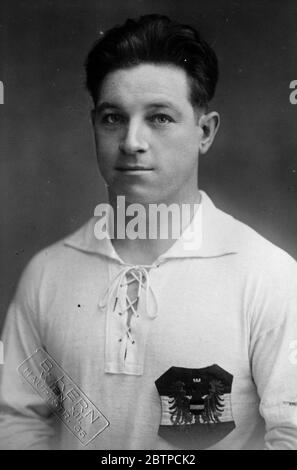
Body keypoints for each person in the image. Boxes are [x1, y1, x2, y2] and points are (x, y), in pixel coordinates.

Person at [1, 13, 297, 450]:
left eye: (159, 118)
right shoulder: (48, 273)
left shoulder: (267, 274)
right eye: (113, 118)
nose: (132, 141)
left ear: (205, 131)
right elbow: (16, 417)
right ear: (94, 126)